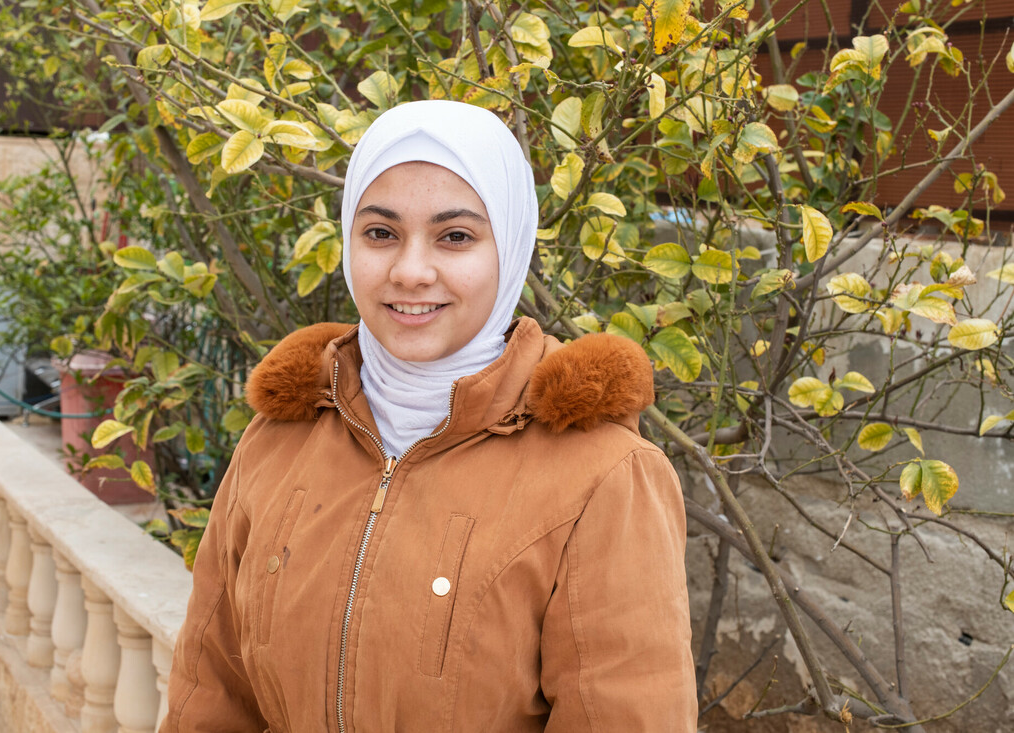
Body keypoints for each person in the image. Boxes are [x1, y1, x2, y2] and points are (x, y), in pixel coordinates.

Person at [161, 100, 696, 732]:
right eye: (381, 233)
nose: (411, 271)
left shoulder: (603, 474)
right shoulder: (282, 436)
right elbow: (212, 693)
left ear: (511, 247)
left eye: (456, 236)